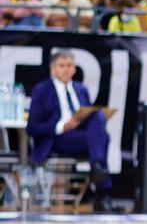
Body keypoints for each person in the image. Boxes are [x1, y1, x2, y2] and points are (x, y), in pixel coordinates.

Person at [26, 50, 112, 211]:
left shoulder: (81, 89)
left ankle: (97, 167)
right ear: (53, 69)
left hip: (80, 136)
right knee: (103, 138)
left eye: (69, 65)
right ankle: (101, 187)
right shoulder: (42, 90)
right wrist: (61, 126)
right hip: (57, 138)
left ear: (74, 69)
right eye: (62, 65)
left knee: (98, 116)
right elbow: (32, 127)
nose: (66, 69)